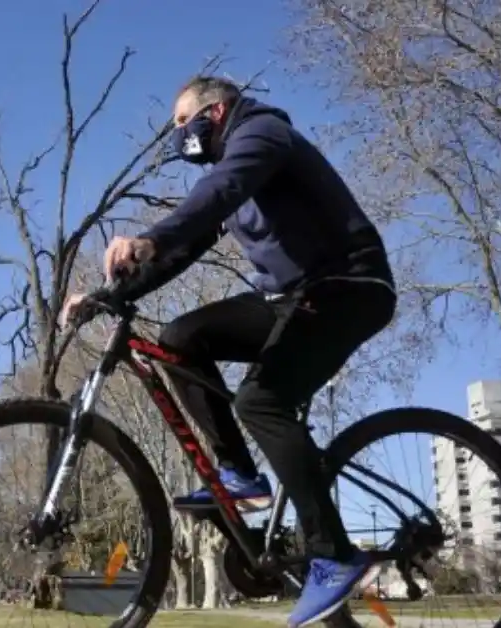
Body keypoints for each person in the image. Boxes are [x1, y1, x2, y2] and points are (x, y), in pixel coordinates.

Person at [60, 77, 396, 627]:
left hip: (347, 286)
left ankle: (333, 556)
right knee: (181, 338)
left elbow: (224, 189)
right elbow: (187, 244)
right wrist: (109, 294)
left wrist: (150, 234)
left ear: (214, 112)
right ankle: (240, 475)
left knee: (261, 402)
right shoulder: (231, 172)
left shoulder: (263, 133)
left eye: (180, 123)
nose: (177, 137)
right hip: (293, 297)